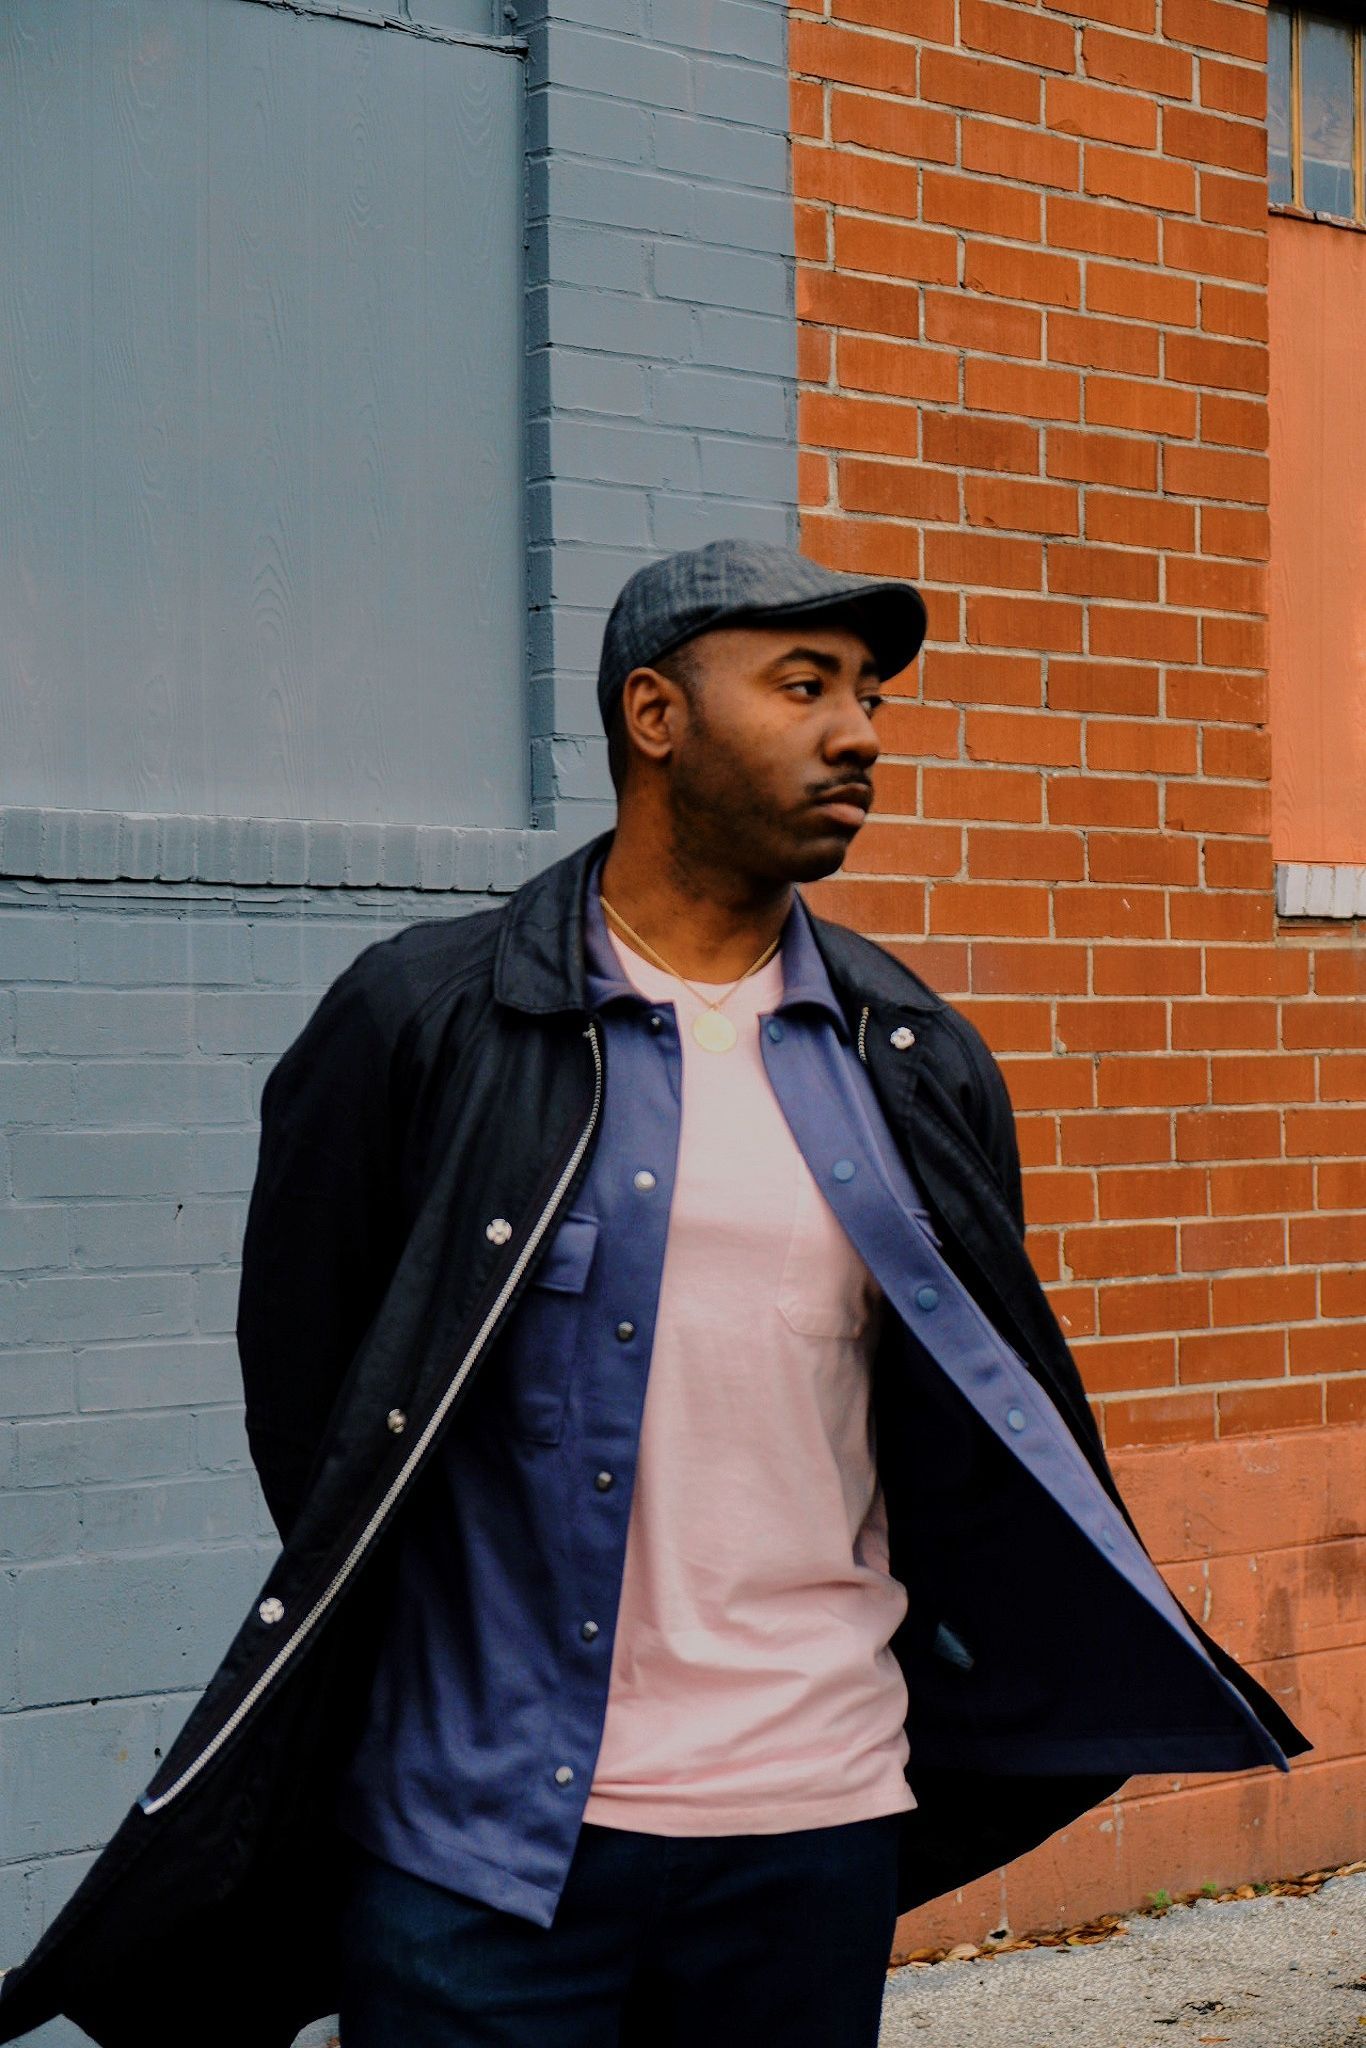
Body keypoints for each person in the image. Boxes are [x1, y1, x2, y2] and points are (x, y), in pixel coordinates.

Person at [0, 540, 1307, 2048]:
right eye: (803, 686)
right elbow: (323, 1415)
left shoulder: (913, 1056)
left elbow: (951, 1431)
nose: (860, 732)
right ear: (654, 715)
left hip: (809, 1835)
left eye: (869, 696)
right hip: (480, 1851)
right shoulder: (421, 1020)